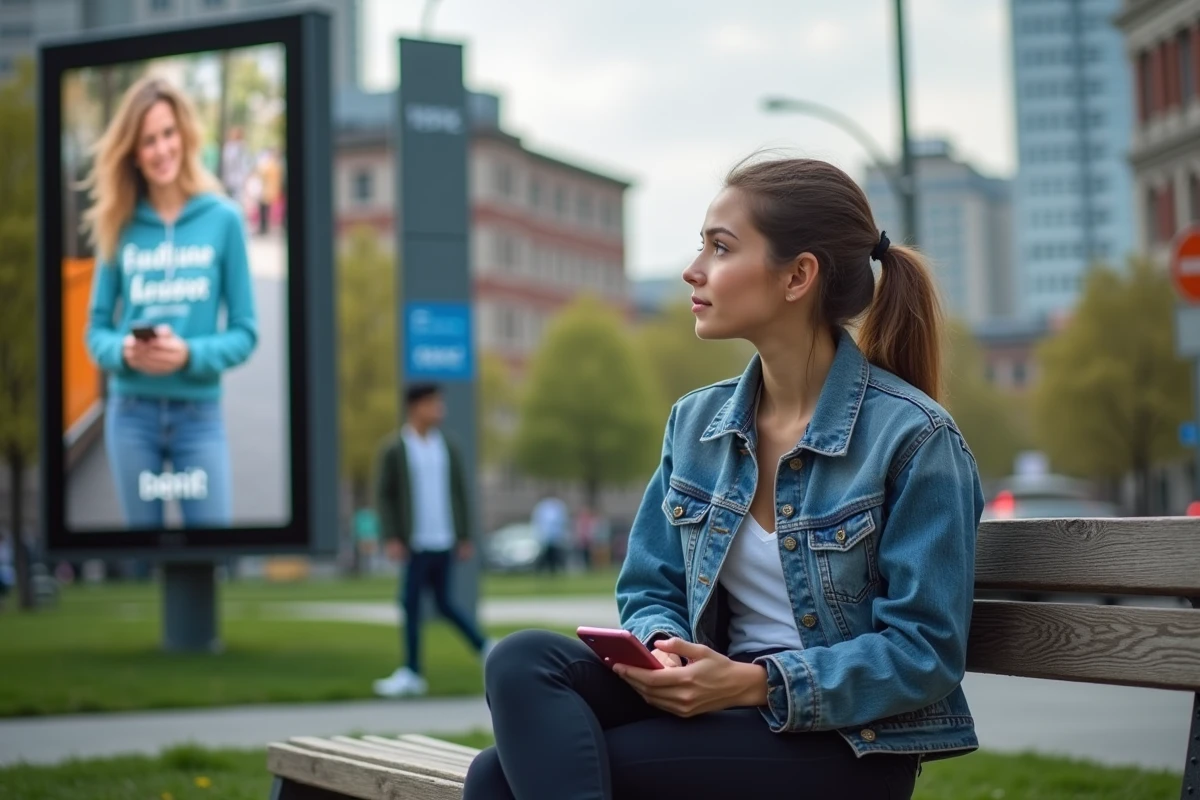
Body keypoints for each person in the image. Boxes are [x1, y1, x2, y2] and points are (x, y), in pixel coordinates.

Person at [463, 157, 984, 799]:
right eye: (701, 244)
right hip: (720, 705)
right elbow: (652, 584)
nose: (694, 268)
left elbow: (923, 653)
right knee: (520, 662)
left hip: (846, 747)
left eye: (721, 247)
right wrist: (664, 650)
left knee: (499, 778)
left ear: (798, 275)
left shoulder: (913, 438)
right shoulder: (697, 423)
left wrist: (752, 683)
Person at [82, 75, 257, 529]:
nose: (161, 150)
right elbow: (96, 331)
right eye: (147, 141)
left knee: (211, 547)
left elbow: (245, 331)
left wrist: (189, 354)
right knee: (144, 563)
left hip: (199, 415)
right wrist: (124, 350)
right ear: (133, 154)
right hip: (131, 416)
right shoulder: (117, 224)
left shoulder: (224, 219)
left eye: (167, 134)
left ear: (184, 134)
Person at [372, 384, 494, 698]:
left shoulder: (447, 446)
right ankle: (413, 671)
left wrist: (465, 535)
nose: (439, 410)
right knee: (411, 603)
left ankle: (484, 649)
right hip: (415, 542)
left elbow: (460, 492)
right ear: (415, 407)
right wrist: (391, 536)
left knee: (442, 603)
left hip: (444, 540)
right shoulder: (396, 448)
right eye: (432, 404)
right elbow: (385, 496)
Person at [530, 494, 569, 575]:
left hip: (554, 536)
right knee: (547, 555)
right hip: (546, 535)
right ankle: (542, 570)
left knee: (554, 555)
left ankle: (553, 570)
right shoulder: (543, 507)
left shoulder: (557, 506)